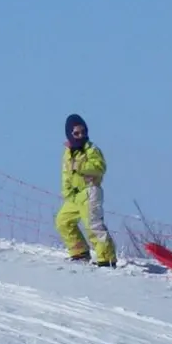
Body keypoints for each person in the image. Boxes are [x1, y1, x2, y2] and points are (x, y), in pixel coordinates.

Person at [56, 114, 116, 267]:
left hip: (90, 191)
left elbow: (100, 167)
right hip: (75, 196)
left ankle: (106, 258)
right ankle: (79, 252)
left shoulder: (91, 149)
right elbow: (66, 174)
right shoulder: (68, 152)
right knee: (63, 221)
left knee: (93, 226)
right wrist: (67, 192)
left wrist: (80, 166)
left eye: (83, 132)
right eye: (76, 133)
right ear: (69, 134)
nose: (80, 136)